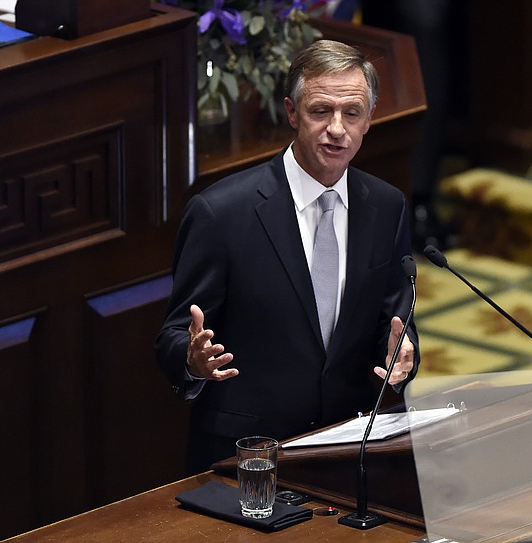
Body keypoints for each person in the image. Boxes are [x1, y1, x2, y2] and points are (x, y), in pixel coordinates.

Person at [155, 39, 419, 475]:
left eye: (351, 113)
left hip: (347, 448)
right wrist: (193, 359)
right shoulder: (221, 213)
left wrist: (404, 354)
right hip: (248, 457)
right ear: (292, 112)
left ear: (369, 119)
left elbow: (396, 323)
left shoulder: (385, 205)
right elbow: (173, 334)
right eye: (320, 111)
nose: (337, 128)